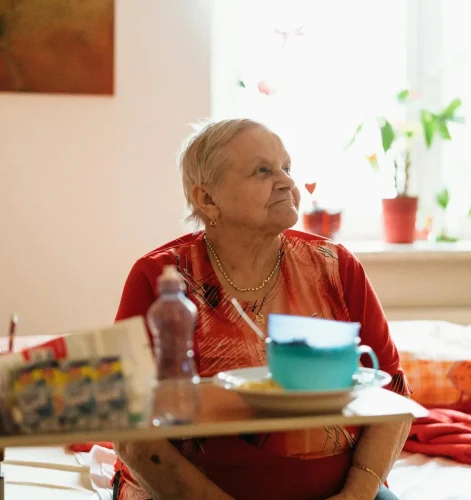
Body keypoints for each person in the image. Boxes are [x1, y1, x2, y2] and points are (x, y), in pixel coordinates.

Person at [112, 118, 412, 500]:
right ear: (207, 199)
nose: (287, 182)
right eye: (263, 171)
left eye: (287, 168)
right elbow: (128, 428)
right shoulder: (160, 278)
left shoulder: (336, 266)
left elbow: (392, 390)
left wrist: (356, 494)